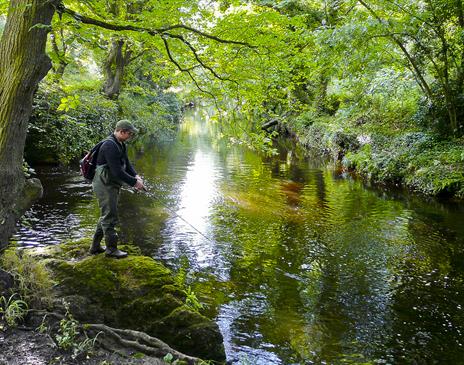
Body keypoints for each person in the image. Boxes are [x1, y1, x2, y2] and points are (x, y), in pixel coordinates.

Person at [90, 119, 145, 258]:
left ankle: (95, 247)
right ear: (121, 131)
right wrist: (134, 183)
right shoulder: (109, 146)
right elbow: (117, 171)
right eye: (130, 134)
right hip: (103, 184)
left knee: (106, 213)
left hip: (111, 183)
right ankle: (111, 249)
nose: (131, 136)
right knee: (110, 216)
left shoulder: (121, 144)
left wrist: (136, 176)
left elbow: (126, 163)